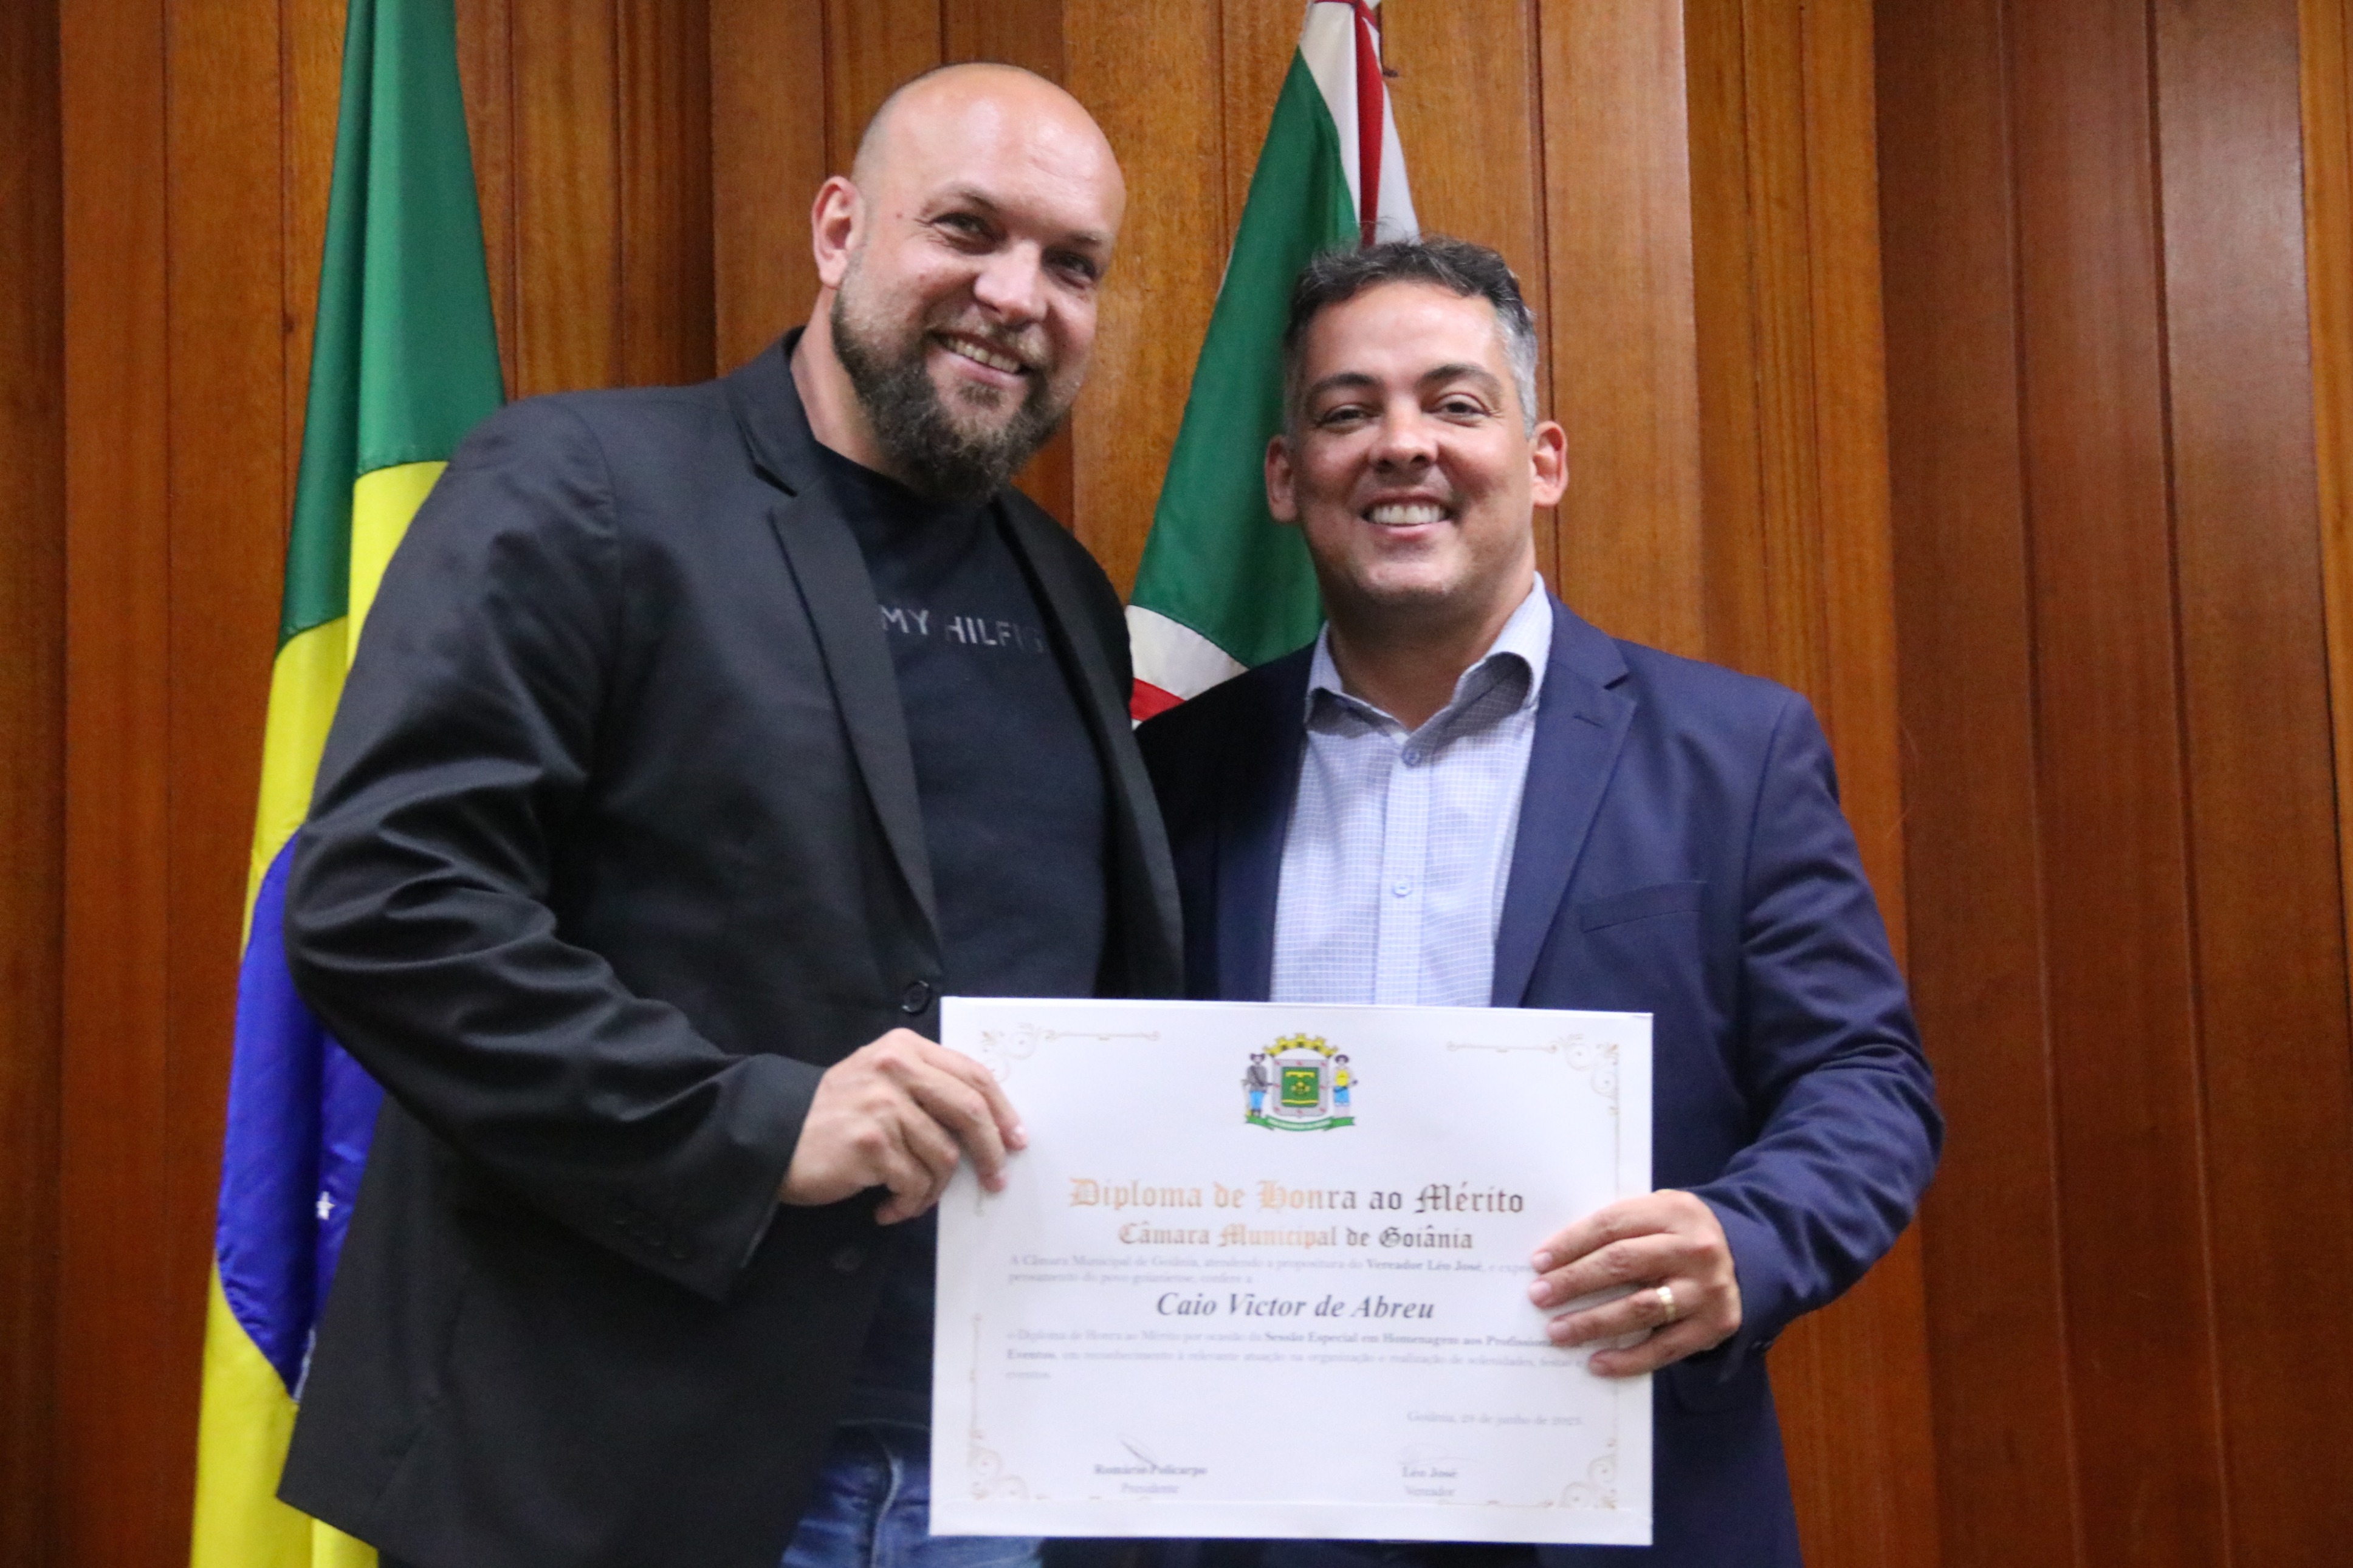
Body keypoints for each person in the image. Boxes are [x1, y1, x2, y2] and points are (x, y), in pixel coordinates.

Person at [276, 63, 1180, 1568]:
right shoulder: (582, 484)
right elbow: (386, 904)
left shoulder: (1069, 593)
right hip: (615, 1467)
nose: (1017, 296)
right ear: (837, 229)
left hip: (999, 1472)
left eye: (1071, 264)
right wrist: (753, 1125)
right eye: (966, 228)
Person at [1136, 238, 1941, 1568]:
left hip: (1619, 1493)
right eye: (1346, 411)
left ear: (1543, 458)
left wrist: (1745, 1237)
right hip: (1254, 1515)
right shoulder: (1174, 774)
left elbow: (1865, 1079)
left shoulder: (1735, 756)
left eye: (1455, 404)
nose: (1403, 445)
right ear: (1285, 476)